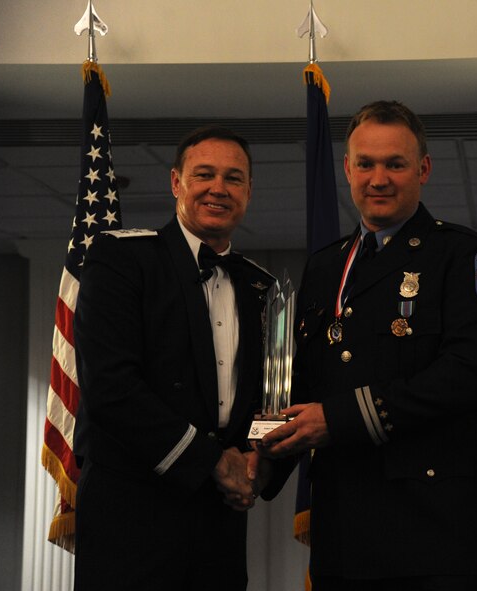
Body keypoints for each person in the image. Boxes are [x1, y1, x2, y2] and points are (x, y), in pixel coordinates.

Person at [257, 100, 477, 591]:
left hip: (431, 534)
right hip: (342, 530)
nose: (379, 178)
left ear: (423, 169)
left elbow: (469, 374)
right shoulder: (327, 265)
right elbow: (301, 381)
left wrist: (339, 419)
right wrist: (259, 458)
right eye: (366, 164)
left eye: (395, 164)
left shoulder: (464, 254)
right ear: (348, 169)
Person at [73, 126, 287, 591]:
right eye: (204, 174)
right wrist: (212, 461)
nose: (218, 188)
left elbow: (271, 396)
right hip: (131, 518)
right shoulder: (121, 259)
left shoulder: (261, 287)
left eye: (234, 178)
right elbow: (111, 389)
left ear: (249, 191)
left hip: (220, 521)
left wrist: (260, 462)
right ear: (176, 182)